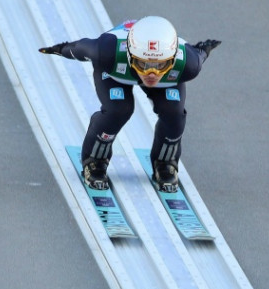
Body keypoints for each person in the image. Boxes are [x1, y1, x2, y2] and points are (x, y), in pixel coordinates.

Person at [39, 16, 220, 193]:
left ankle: (165, 162)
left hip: (124, 69)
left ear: (173, 59)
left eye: (160, 65)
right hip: (117, 72)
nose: (151, 73)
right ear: (129, 54)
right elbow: (79, 49)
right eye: (143, 64)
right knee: (118, 110)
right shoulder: (108, 51)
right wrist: (60, 49)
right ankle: (95, 160)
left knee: (174, 114)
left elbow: (77, 48)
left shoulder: (189, 64)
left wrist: (60, 48)